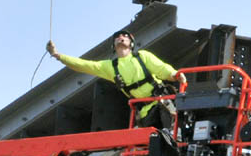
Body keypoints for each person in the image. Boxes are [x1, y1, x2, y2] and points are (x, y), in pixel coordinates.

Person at [47, 30, 186, 129]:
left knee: (173, 134)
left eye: (125, 36)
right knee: (153, 146)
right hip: (145, 113)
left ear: (131, 43)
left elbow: (161, 68)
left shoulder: (142, 56)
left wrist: (175, 74)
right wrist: (58, 55)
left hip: (162, 102)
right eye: (118, 36)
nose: (121, 37)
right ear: (113, 46)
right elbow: (84, 65)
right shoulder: (111, 67)